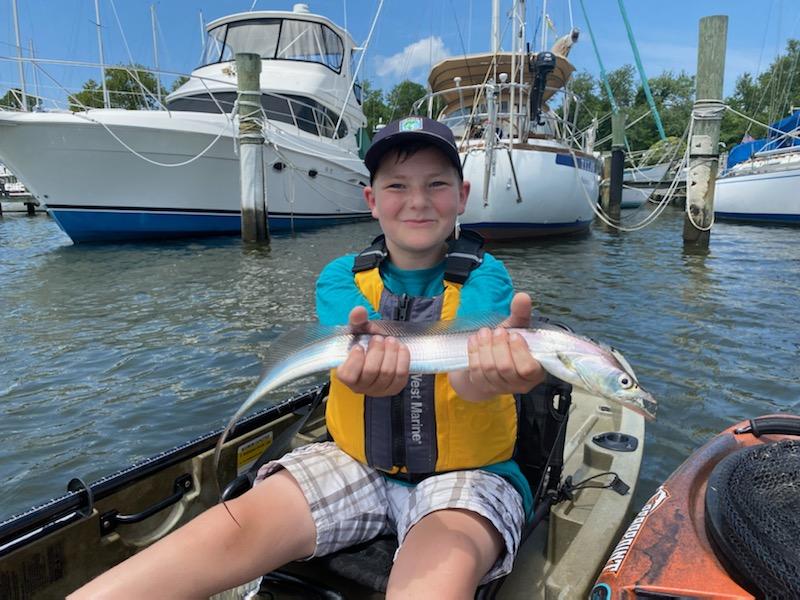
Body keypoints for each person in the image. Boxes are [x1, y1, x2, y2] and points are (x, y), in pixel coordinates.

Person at [69, 117, 544, 600]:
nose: (418, 200)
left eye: (436, 185)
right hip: (356, 460)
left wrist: (487, 378)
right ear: (372, 200)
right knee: (225, 534)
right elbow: (356, 353)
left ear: (462, 196)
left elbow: (466, 377)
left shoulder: (488, 277)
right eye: (397, 186)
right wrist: (363, 372)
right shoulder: (340, 278)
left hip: (469, 473)